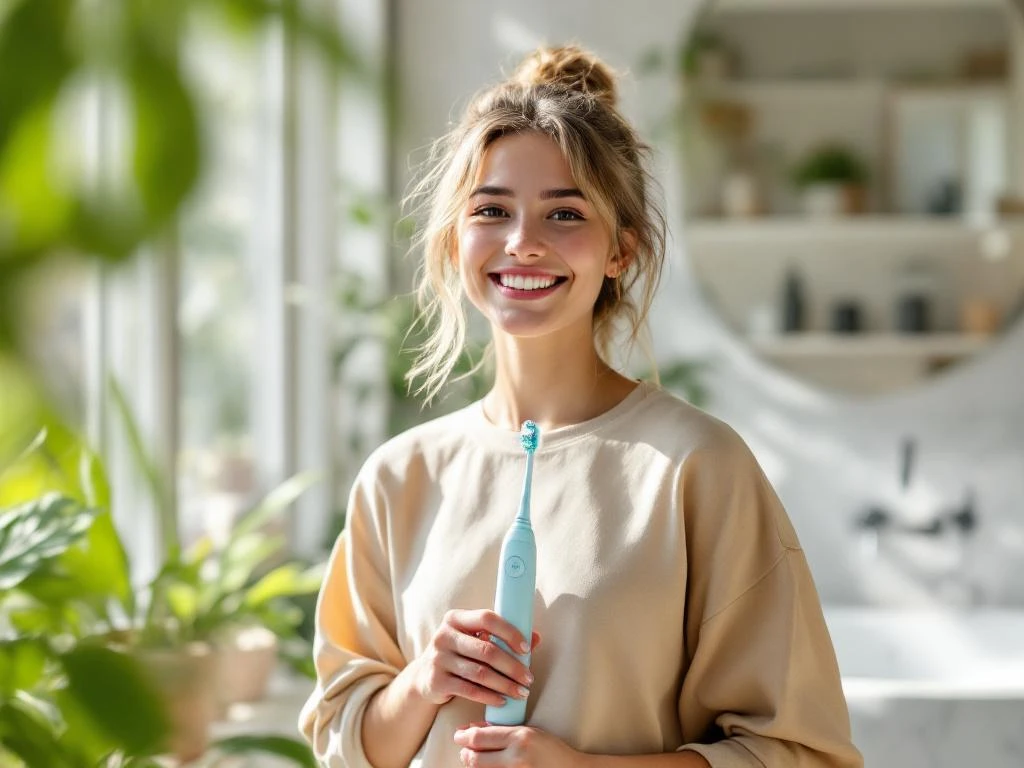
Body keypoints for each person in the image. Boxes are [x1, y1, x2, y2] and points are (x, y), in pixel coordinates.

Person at [299, 44, 862, 768]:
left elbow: (797, 754)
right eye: (491, 210)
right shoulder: (397, 476)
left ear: (621, 251)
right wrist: (422, 683)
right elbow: (342, 745)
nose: (523, 243)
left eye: (564, 214)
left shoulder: (697, 469)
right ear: (455, 240)